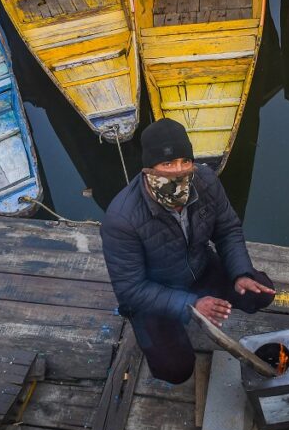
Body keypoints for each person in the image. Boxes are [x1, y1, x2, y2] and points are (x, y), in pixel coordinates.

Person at [101, 118, 276, 384]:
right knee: (175, 370)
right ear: (148, 169)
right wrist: (190, 305)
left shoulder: (205, 180)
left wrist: (240, 273)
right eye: (167, 164)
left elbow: (227, 229)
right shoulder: (121, 219)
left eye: (185, 161)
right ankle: (154, 330)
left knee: (260, 292)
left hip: (200, 267)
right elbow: (130, 289)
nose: (179, 171)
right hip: (156, 293)